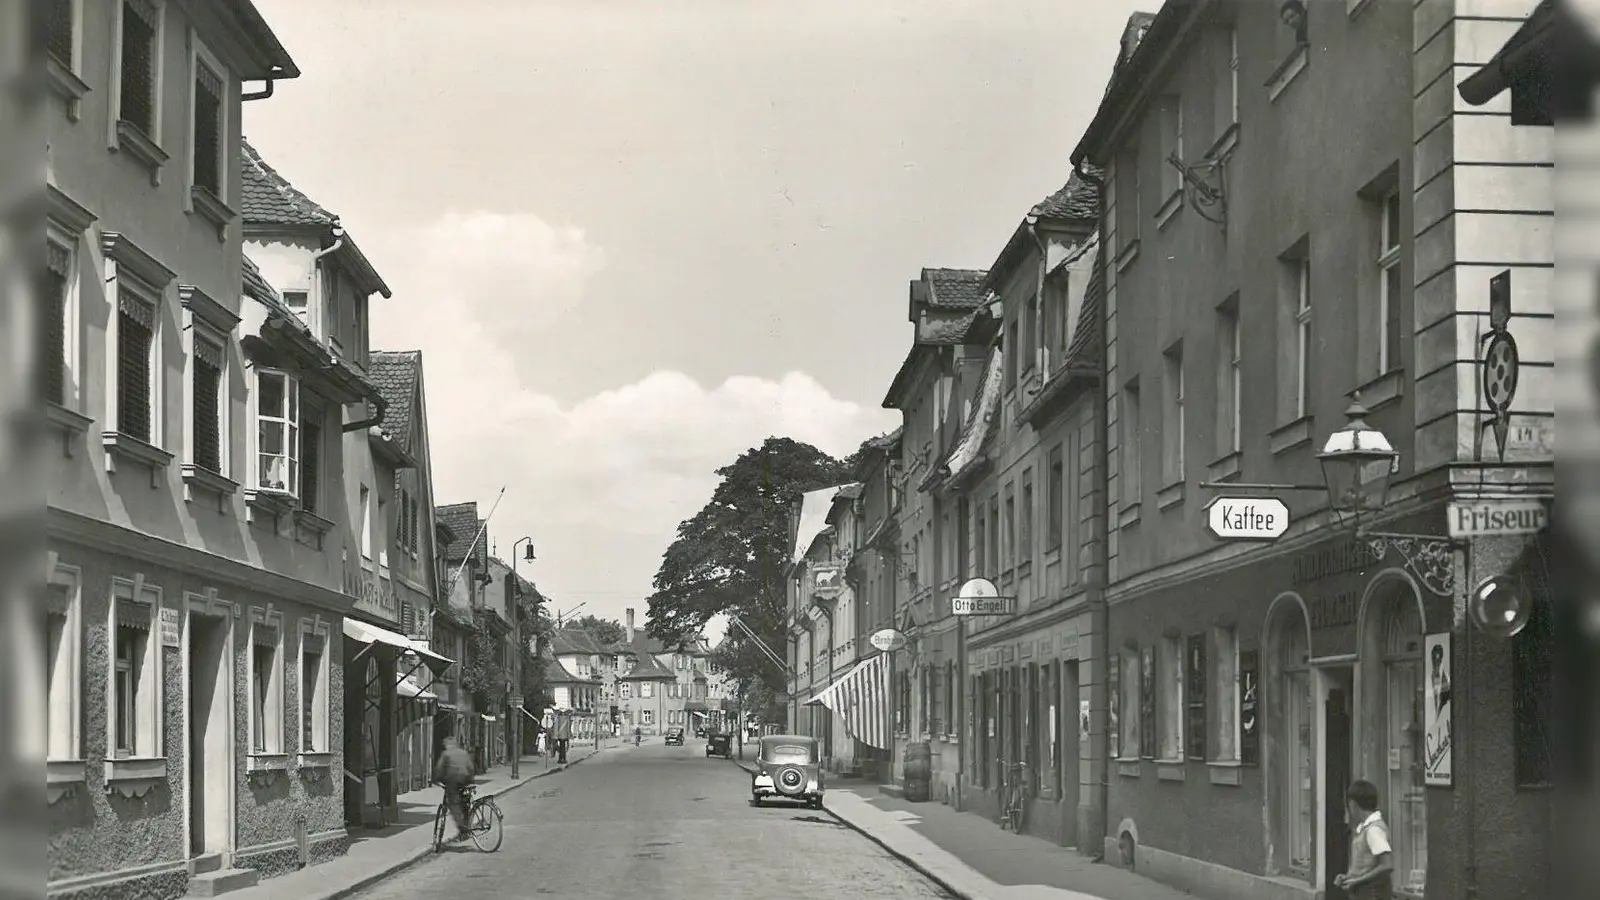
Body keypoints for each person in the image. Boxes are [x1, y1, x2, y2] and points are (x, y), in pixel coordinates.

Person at [1335, 780, 1394, 899]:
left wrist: (1357, 880)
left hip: (1372, 894)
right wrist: (1349, 877)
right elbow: (1367, 865)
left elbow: (1386, 865)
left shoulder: (1374, 830)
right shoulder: (1365, 828)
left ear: (1353, 805)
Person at [432, 735, 476, 843]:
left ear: (447, 745)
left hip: (453, 780)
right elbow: (470, 767)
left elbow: (439, 768)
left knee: (453, 803)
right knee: (464, 802)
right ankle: (467, 824)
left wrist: (436, 779)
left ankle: (462, 827)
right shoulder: (464, 753)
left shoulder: (446, 754)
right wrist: (471, 779)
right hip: (465, 779)